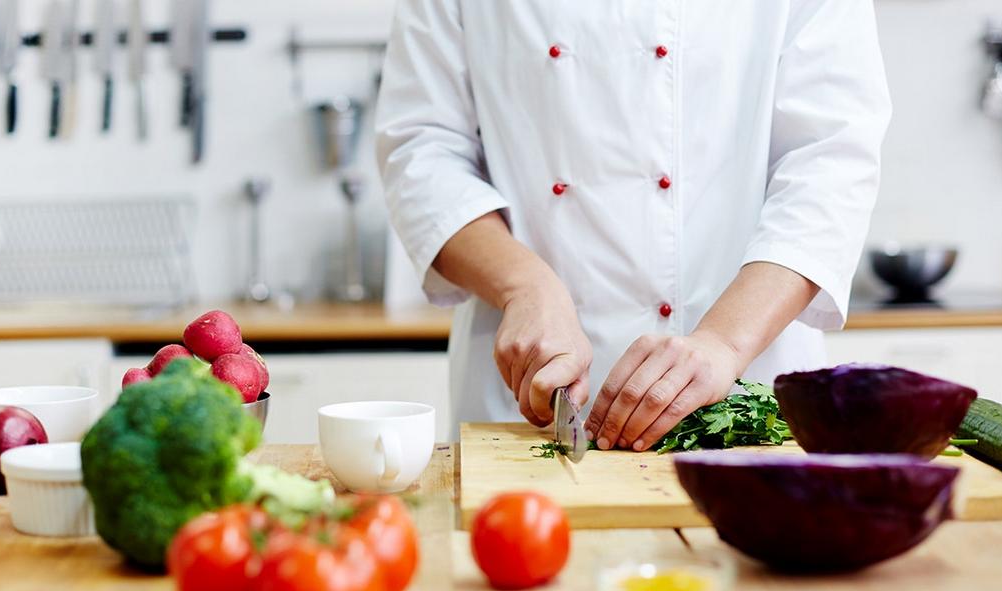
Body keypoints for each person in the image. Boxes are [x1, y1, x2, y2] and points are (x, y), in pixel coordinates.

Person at [375, 1, 891, 451]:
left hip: (745, 382)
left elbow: (832, 160)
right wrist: (523, 285)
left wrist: (724, 344)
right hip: (533, 400)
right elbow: (420, 151)